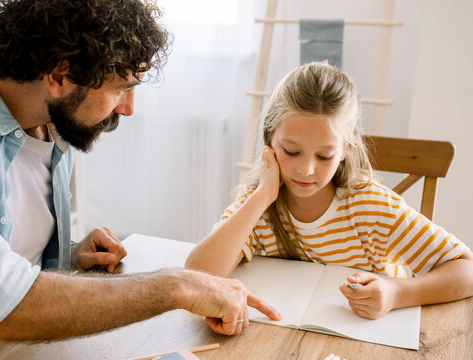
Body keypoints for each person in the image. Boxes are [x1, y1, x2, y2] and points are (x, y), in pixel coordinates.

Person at [0, 0, 281, 358]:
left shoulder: (51, 128)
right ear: (58, 75)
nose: (129, 108)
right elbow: (3, 306)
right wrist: (181, 286)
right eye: (122, 88)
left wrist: (62, 256)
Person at [185, 62, 473, 320]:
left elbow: (466, 270)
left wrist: (398, 293)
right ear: (270, 141)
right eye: (291, 151)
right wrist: (262, 197)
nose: (306, 170)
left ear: (345, 151)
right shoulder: (259, 203)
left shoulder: (371, 207)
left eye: (324, 156)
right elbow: (197, 276)